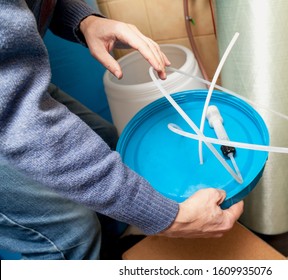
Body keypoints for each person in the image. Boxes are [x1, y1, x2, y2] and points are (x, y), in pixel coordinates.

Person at [0, 0, 244, 260]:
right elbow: (23, 124)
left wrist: (87, 22)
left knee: (109, 145)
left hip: (13, 83)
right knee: (71, 232)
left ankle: (107, 255)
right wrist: (171, 218)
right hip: (10, 102)